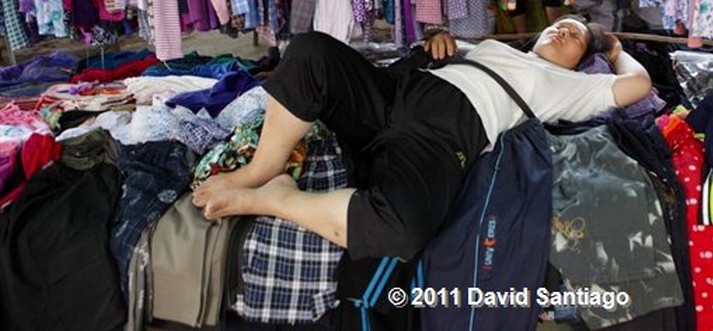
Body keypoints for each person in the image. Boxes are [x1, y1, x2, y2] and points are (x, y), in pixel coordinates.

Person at [191, 16, 652, 261]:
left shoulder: (568, 89)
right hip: (399, 93)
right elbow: (435, 50)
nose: (564, 28)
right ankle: (261, 168)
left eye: (575, 35)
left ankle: (275, 197)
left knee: (401, 231)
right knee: (311, 51)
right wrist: (439, 44)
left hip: (444, 135)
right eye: (560, 22)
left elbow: (639, 86)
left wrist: (614, 49)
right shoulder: (493, 46)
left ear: (580, 62)